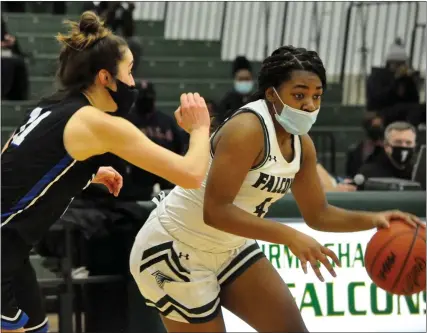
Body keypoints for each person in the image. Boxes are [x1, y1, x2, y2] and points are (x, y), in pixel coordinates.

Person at [129, 46, 423, 333]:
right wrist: (290, 236)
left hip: (229, 247)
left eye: (316, 96)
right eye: (299, 95)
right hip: (174, 246)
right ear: (272, 94)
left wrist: (375, 219)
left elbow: (318, 214)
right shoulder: (247, 129)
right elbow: (215, 212)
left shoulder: (302, 143)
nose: (309, 104)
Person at [1, 11, 211, 333]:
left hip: (12, 254)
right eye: (128, 72)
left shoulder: (49, 107)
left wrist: (84, 175)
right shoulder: (98, 123)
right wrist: (200, 129)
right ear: (105, 78)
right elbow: (191, 174)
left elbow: (14, 163)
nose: (132, 83)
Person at [124, 80, 188, 200]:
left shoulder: (166, 121)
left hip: (165, 181)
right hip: (136, 184)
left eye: (148, 97)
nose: (146, 100)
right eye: (143, 97)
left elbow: (180, 149)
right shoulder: (126, 120)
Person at [366, 38, 420, 112]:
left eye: (402, 63)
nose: (401, 66)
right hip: (382, 111)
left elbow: (414, 101)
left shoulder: (406, 79)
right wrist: (396, 79)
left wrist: (412, 82)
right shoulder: (377, 77)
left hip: (402, 112)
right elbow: (379, 98)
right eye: (397, 64)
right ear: (390, 63)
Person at [345, 112, 384, 177]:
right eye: (374, 127)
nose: (377, 130)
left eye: (379, 126)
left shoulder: (388, 150)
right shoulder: (355, 151)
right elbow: (350, 174)